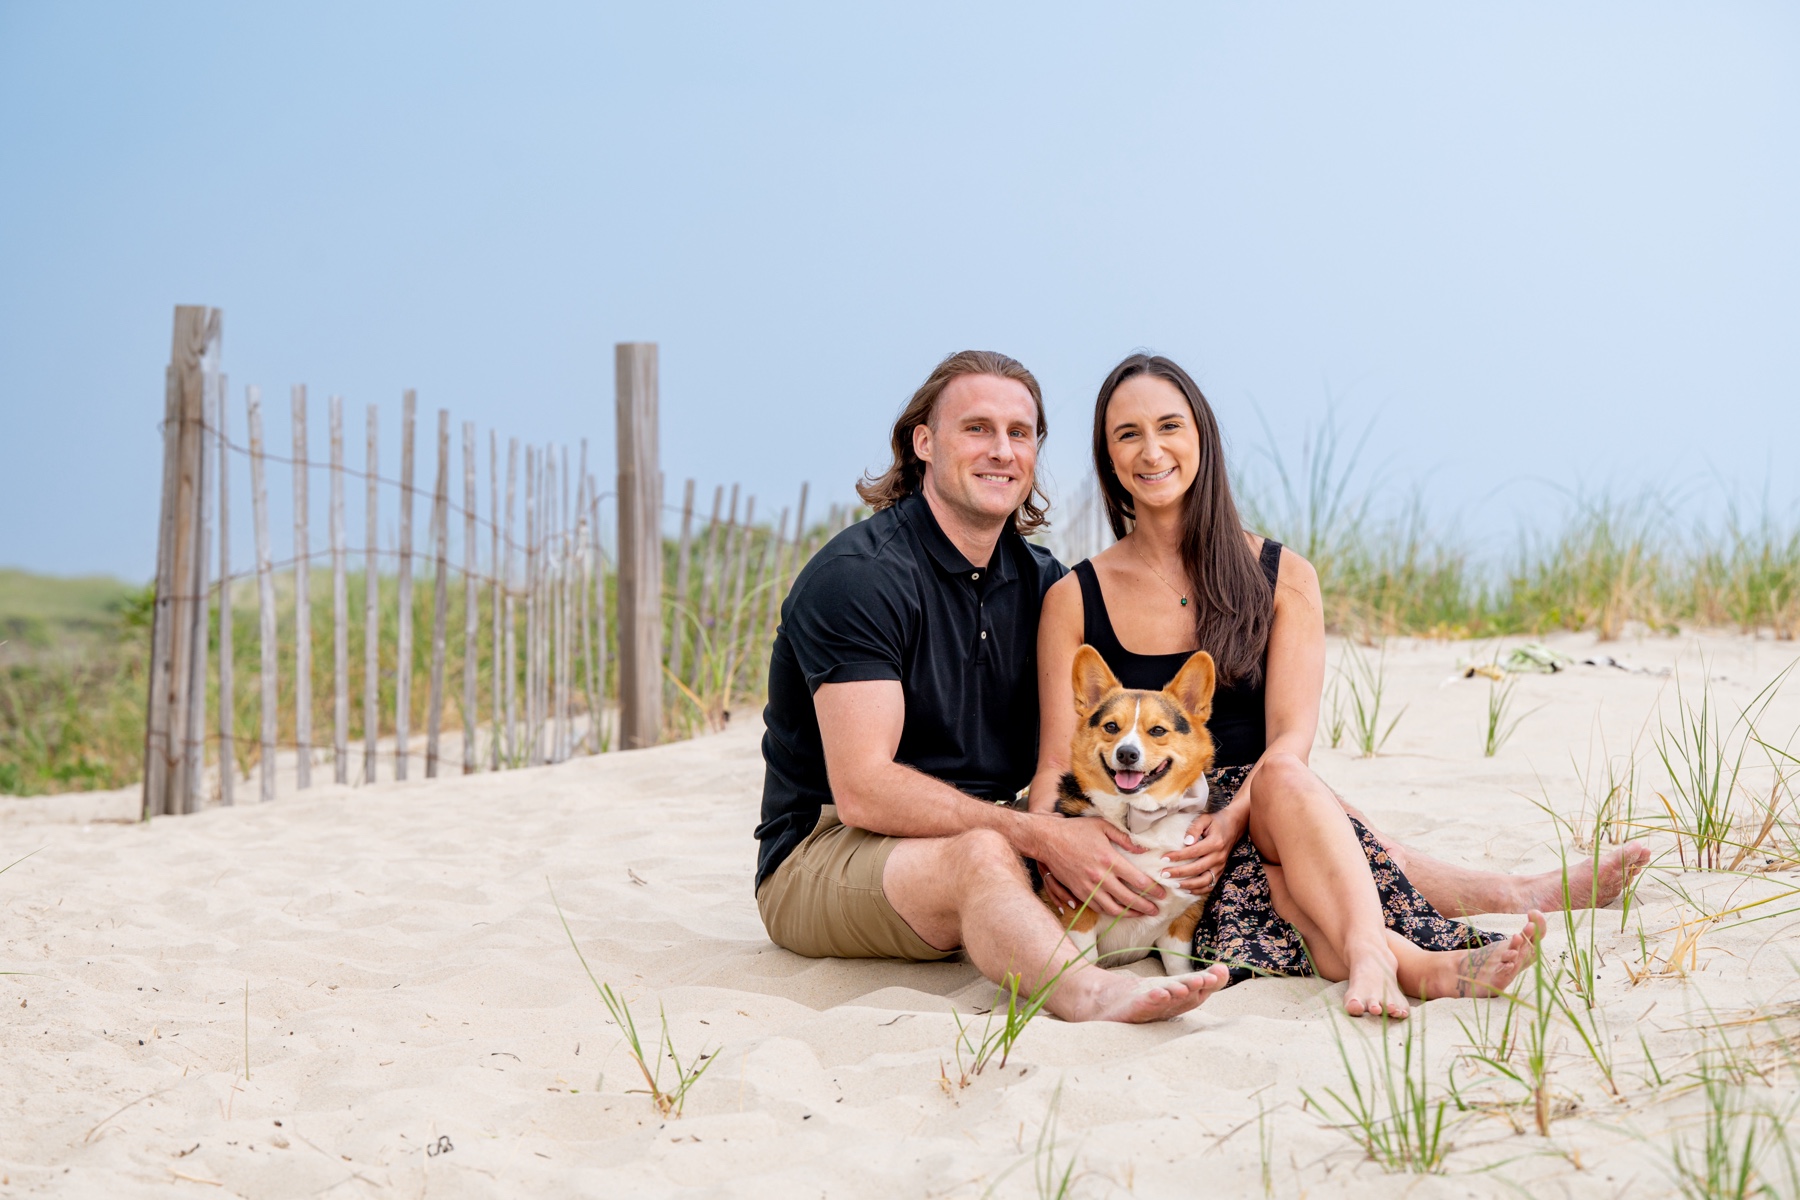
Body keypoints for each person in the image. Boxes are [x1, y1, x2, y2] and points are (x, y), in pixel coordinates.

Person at [1029, 353, 1651, 1018]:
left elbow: (1291, 739)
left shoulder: (1283, 574)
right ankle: (1432, 946)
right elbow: (1057, 761)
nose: (1152, 450)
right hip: (1155, 828)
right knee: (1288, 890)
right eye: (1128, 435)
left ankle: (1468, 915)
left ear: (1202, 439)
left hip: (1268, 800)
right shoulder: (1075, 594)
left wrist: (1231, 816)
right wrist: (1055, 852)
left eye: (1169, 427)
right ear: (1108, 456)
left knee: (1284, 785)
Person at [755, 350, 1232, 1023]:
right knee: (983, 853)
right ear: (924, 442)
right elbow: (863, 790)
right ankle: (1089, 993)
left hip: (995, 825)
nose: (1002, 451)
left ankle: (1427, 905)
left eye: (1020, 433)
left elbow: (1077, 749)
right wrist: (1040, 836)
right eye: (976, 428)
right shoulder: (861, 577)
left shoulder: (1043, 583)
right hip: (825, 850)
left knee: (1233, 821)